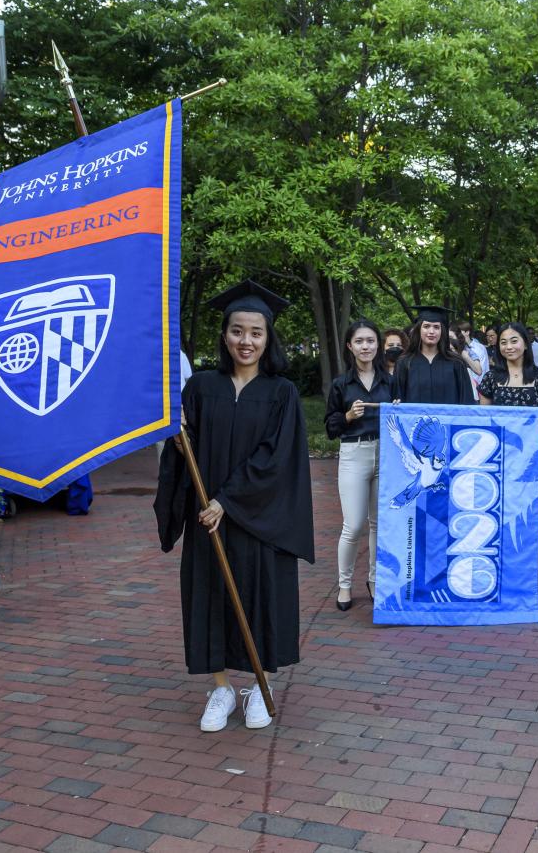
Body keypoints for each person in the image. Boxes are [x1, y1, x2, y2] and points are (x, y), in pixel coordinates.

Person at [154, 279, 314, 732]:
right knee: (211, 596)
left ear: (269, 338)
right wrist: (176, 435)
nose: (247, 341)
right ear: (224, 335)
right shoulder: (201, 387)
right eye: (238, 331)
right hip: (207, 518)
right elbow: (187, 450)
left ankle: (259, 686)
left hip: (259, 518)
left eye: (256, 332)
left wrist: (227, 500)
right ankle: (221, 687)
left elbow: (276, 459)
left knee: (260, 597)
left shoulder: (282, 392)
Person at [477, 322, 538, 594]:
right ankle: (497, 569)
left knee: (526, 518)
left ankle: (531, 569)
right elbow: (485, 420)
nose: (508, 347)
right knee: (497, 516)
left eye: (514, 341)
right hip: (498, 459)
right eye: (503, 342)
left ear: (525, 344)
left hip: (529, 459)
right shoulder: (491, 378)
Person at [325, 319, 392, 611]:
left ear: (378, 345)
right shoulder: (341, 384)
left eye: (371, 341)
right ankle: (344, 585)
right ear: (350, 346)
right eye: (360, 341)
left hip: (387, 454)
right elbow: (330, 427)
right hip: (354, 453)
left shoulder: (390, 380)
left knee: (379, 524)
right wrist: (349, 417)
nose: (366, 346)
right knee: (352, 526)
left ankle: (375, 580)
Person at [392, 306, 476, 405]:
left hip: (448, 420)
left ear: (442, 330)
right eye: (426, 326)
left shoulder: (456, 363)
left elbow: (466, 401)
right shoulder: (404, 363)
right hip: (416, 420)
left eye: (436, 327)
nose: (431, 331)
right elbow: (397, 399)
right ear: (419, 329)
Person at [456, 319, 490, 397]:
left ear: (467, 332)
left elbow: (484, 371)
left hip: (477, 390)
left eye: (459, 332)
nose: (457, 335)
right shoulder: (454, 348)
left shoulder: (479, 348)